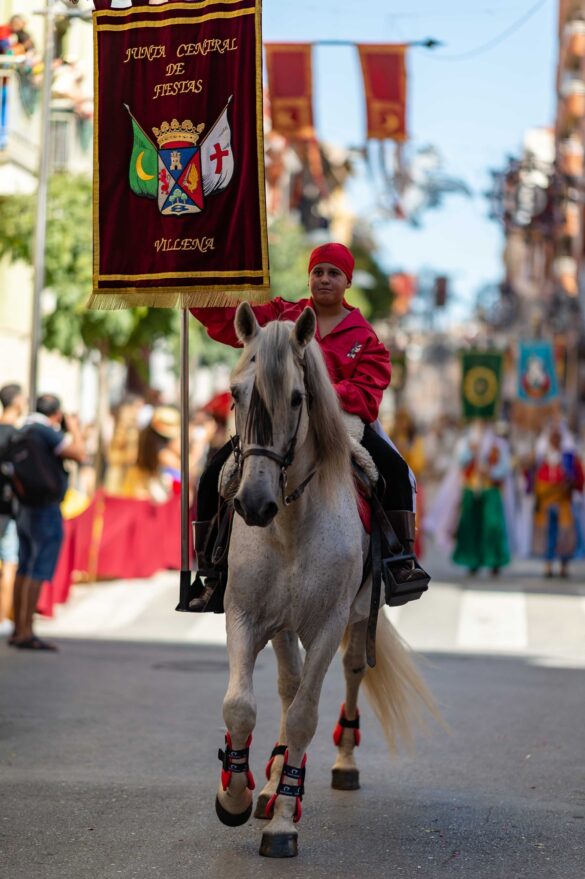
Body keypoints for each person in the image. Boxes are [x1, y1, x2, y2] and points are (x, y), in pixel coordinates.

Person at [188, 242, 422, 611]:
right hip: (277, 421)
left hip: (341, 424)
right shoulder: (282, 315)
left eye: (334, 273)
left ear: (347, 282)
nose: (324, 279)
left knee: (396, 471)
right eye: (318, 272)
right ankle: (210, 573)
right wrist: (193, 290)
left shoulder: (366, 338)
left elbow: (367, 396)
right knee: (213, 474)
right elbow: (231, 322)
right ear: (309, 277)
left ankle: (400, 564)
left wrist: (322, 392)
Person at [11, 394, 84, 650]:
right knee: (38, 568)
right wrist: (74, 428)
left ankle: (19, 628)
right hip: (45, 508)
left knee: (24, 566)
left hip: (25, 506)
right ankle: (26, 631)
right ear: (57, 414)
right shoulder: (46, 432)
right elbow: (79, 454)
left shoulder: (24, 429)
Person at [451, 421, 511, 575]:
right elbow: (461, 462)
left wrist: (490, 472)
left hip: (490, 489)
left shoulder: (499, 444)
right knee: (472, 525)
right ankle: (472, 560)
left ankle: (494, 560)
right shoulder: (467, 442)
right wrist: (472, 450)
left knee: (492, 525)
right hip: (472, 489)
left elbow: (504, 467)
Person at [532, 425, 584, 578]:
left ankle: (564, 565)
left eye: (557, 438)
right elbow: (534, 478)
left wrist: (569, 482)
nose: (555, 440)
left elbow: (578, 478)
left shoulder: (569, 458)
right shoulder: (543, 457)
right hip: (547, 503)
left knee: (565, 535)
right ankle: (548, 564)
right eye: (552, 438)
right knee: (548, 534)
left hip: (563, 503)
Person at [0, 384, 27, 636]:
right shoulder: (18, 436)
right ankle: (2, 620)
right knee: (9, 564)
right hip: (8, 508)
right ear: (17, 402)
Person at [120, 406, 181, 503]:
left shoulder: (147, 436)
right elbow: (177, 464)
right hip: (142, 486)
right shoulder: (157, 446)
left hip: (136, 481)